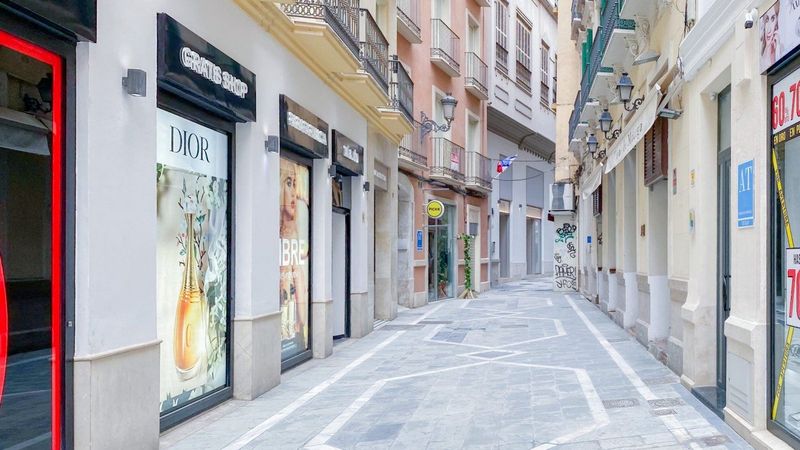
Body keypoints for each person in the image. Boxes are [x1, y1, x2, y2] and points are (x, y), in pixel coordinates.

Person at [279, 159, 309, 350]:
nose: (292, 193)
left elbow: (302, 315)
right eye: (288, 183)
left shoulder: (296, 231)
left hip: (294, 330)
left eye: (295, 184)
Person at [762, 2, 781, 70]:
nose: (769, 30)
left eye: (773, 19)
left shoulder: (780, 48)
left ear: (776, 22)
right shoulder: (761, 57)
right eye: (767, 20)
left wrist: (778, 47)